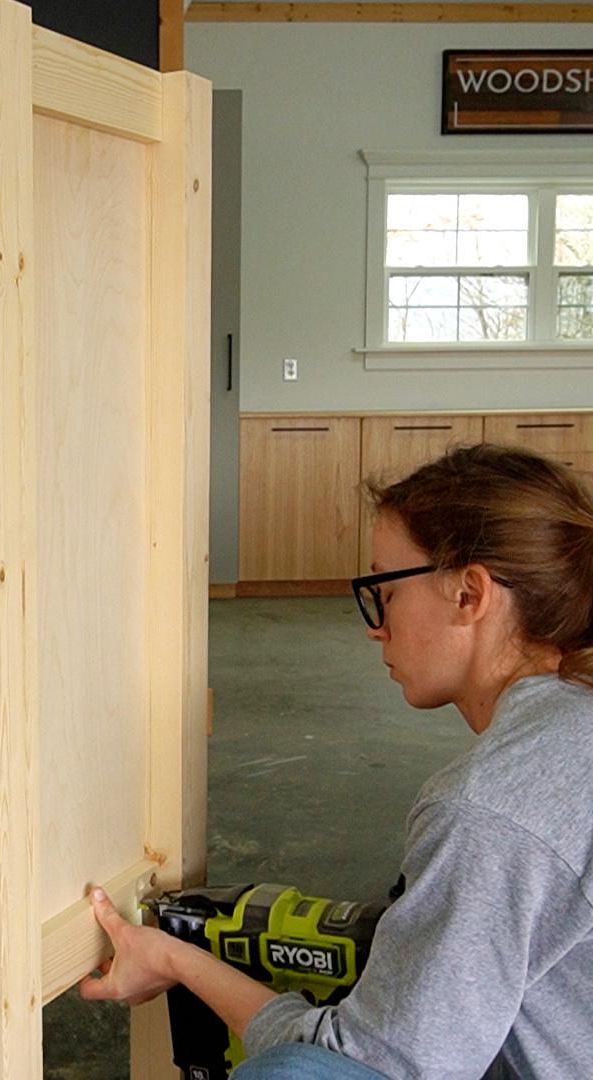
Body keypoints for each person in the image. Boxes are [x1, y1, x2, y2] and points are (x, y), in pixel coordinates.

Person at [80, 443, 593, 1079]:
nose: (374, 626)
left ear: (470, 593)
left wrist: (178, 961)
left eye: (384, 590)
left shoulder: (487, 809)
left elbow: (364, 1065)